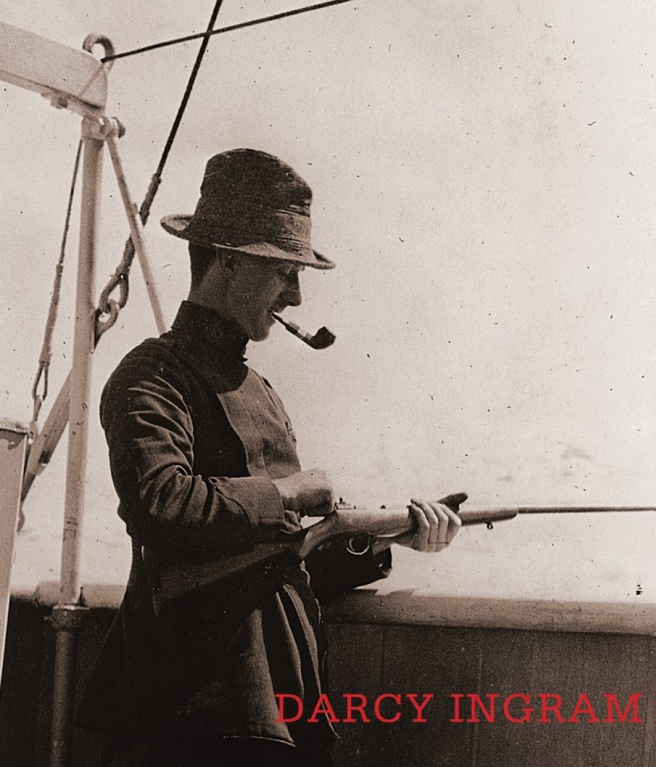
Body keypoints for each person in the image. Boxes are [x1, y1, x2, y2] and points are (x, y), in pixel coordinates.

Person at [79, 148, 460, 767]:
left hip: (275, 714)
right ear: (227, 260)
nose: (298, 297)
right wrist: (289, 494)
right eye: (285, 272)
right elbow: (161, 504)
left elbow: (280, 563)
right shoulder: (152, 374)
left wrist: (394, 537)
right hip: (189, 718)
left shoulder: (261, 391)